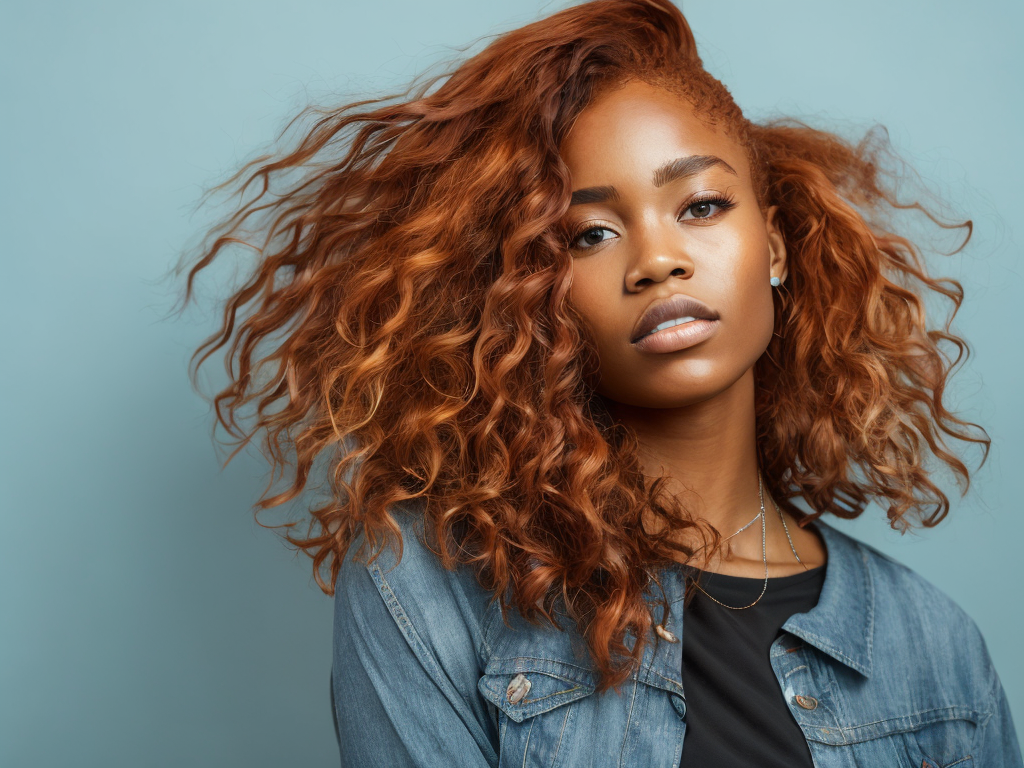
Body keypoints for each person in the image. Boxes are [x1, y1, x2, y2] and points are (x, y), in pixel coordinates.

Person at [178, 1, 1021, 765]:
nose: (657, 260)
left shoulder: (935, 651)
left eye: (699, 207)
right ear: (533, 294)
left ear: (775, 245)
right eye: (589, 235)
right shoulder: (430, 585)